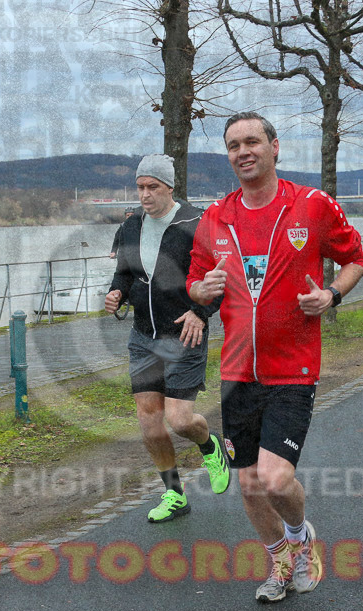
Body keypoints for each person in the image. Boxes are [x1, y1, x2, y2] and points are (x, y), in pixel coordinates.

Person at [187, 112, 363, 603]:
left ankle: (301, 537)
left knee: (275, 476)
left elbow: (355, 259)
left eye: (252, 142)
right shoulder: (216, 217)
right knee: (248, 484)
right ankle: (280, 562)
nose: (242, 152)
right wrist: (202, 288)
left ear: (274, 147)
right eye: (233, 146)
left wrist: (331, 294)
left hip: (294, 367)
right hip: (237, 370)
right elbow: (196, 282)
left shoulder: (311, 205)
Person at [104, 155, 229, 523]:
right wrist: (116, 295)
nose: (145, 194)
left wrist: (201, 312)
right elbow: (123, 274)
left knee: (179, 420)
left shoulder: (198, 222)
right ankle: (174, 493)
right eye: (140, 187)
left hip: (184, 332)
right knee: (149, 422)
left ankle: (211, 445)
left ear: (169, 187)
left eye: (152, 187)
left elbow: (221, 278)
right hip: (143, 336)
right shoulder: (131, 226)